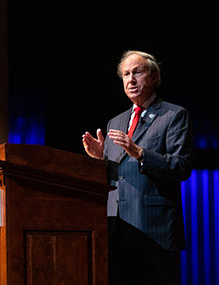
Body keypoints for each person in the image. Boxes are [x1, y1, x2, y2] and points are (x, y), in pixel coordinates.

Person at [82, 50, 193, 284]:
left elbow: (181, 167)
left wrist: (141, 153)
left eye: (137, 72)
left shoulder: (173, 115)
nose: (130, 79)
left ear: (153, 77)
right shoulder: (116, 122)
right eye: (125, 74)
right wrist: (100, 158)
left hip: (154, 231)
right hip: (117, 231)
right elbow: (116, 176)